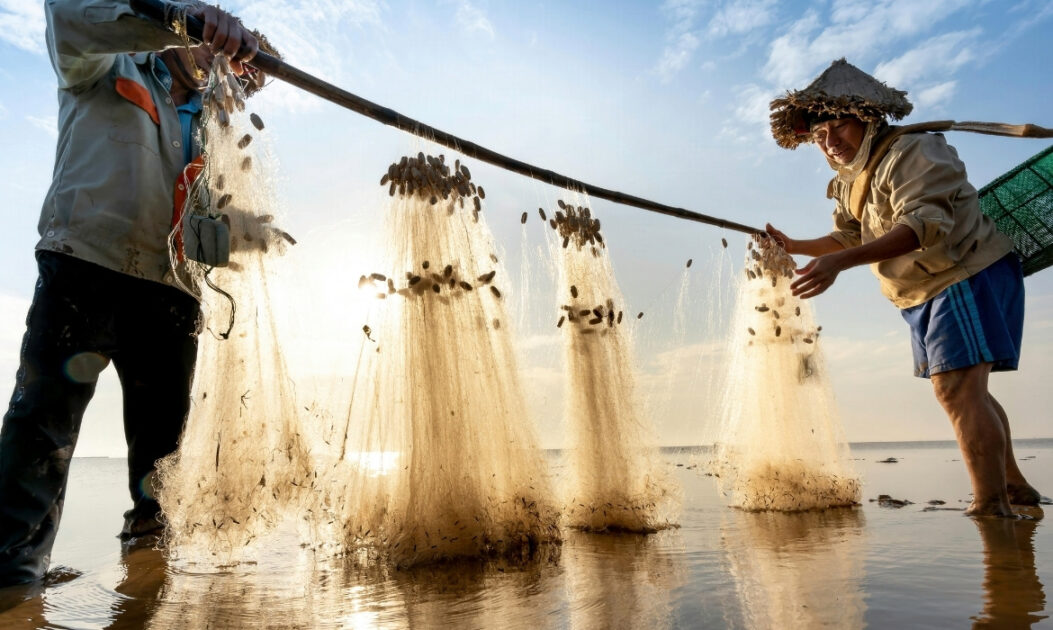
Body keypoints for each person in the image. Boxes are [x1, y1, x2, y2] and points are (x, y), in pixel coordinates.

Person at [0, 0, 262, 586]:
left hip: (170, 293)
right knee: (42, 434)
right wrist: (183, 19)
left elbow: (209, 224)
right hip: (84, 268)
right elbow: (68, 17)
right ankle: (12, 582)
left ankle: (145, 584)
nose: (217, 58)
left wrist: (249, 232)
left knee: (161, 465)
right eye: (209, 39)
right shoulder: (106, 59)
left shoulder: (208, 125)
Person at [765, 58, 1040, 518]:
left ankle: (991, 507)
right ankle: (1012, 486)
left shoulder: (914, 152)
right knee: (969, 390)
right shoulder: (849, 182)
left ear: (867, 118)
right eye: (819, 137)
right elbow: (851, 236)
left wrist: (838, 264)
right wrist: (794, 245)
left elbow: (922, 226)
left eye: (839, 127)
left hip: (963, 272)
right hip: (923, 290)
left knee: (956, 388)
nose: (831, 143)